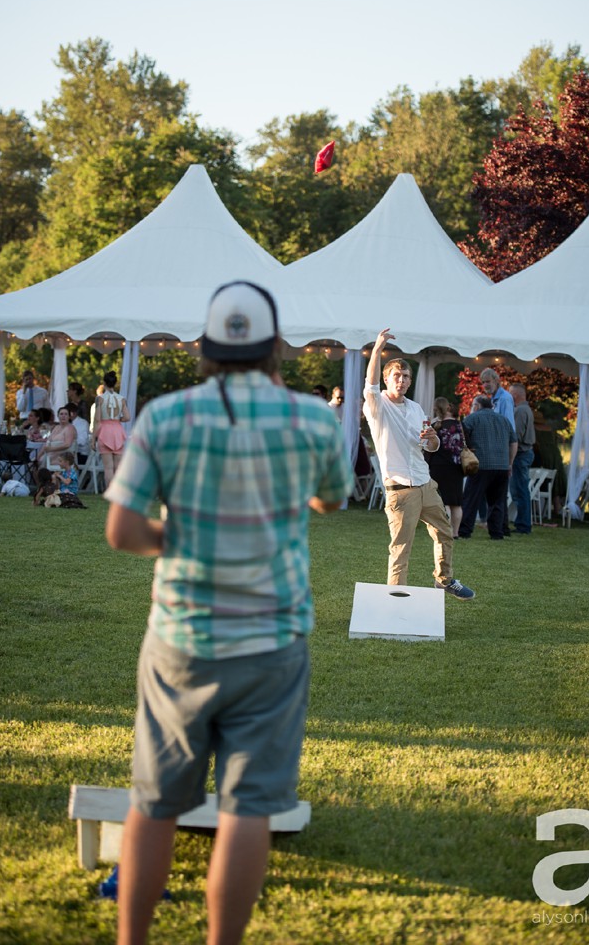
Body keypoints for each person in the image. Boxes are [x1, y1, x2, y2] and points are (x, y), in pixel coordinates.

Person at [104, 280, 354, 945]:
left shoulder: (165, 417)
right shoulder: (312, 419)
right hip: (274, 640)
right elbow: (332, 501)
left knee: (154, 804)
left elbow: (123, 532)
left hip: (181, 638)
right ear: (275, 347)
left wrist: (178, 538)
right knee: (250, 809)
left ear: (206, 350)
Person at [363, 328, 474, 599]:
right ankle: (395, 598)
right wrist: (377, 350)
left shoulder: (415, 408)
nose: (401, 380)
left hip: (425, 484)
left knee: (445, 532)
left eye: (405, 376)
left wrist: (432, 438)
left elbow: (430, 446)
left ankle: (444, 579)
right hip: (400, 490)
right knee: (401, 546)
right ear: (387, 379)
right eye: (396, 376)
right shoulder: (377, 406)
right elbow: (370, 384)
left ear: (410, 381)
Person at [459, 393, 516, 540]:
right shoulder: (504, 420)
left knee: (471, 499)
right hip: (502, 466)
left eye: (473, 405)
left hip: (481, 465)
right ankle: (497, 532)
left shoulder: (473, 418)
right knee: (497, 501)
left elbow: (461, 434)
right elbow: (514, 442)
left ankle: (464, 530)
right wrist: (510, 463)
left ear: (477, 406)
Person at [423, 396, 467, 539]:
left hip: (439, 466)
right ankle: (455, 533)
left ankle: (445, 530)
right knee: (456, 502)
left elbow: (429, 448)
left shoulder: (436, 426)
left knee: (442, 501)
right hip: (457, 466)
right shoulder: (461, 426)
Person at [93, 371, 131, 487]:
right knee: (118, 467)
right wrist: (117, 420)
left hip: (105, 430)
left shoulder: (100, 399)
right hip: (117, 430)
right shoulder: (122, 399)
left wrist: (93, 439)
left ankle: (110, 492)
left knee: (108, 467)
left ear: (104, 383)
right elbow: (127, 417)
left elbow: (97, 420)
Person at [508, 384, 536, 535]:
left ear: (515, 395)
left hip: (521, 454)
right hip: (526, 453)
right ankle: (522, 523)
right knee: (521, 490)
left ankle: (523, 525)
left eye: (510, 394)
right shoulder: (527, 409)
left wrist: (510, 457)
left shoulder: (520, 411)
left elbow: (516, 436)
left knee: (520, 491)